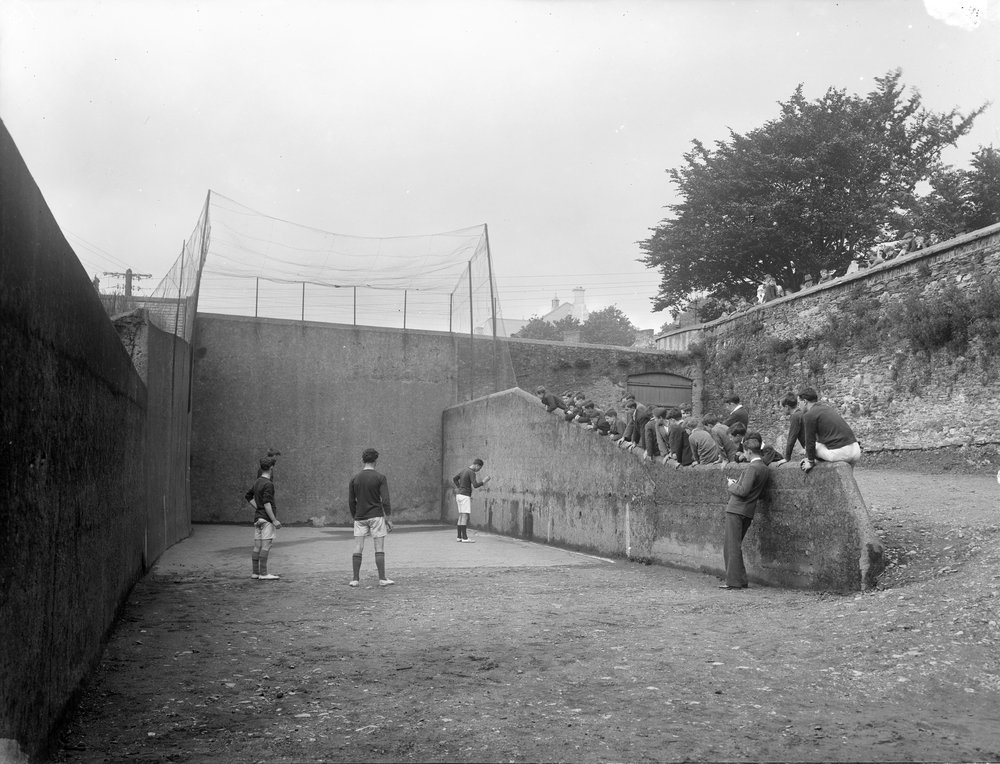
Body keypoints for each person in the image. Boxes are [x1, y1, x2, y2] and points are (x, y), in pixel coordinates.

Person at [720, 432, 771, 590]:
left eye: (745, 452)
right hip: (748, 510)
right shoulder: (764, 468)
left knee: (731, 546)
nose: (745, 455)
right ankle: (739, 580)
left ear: (749, 451)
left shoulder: (753, 467)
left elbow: (742, 491)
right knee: (734, 545)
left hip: (736, 509)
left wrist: (731, 485)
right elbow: (759, 492)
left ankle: (734, 582)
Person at [348, 447, 394, 587]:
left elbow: (351, 501)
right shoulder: (380, 478)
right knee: (378, 547)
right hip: (376, 516)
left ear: (362, 460)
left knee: (358, 546)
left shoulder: (355, 478)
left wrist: (355, 515)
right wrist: (388, 518)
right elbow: (385, 500)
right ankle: (382, 578)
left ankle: (355, 579)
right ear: (376, 461)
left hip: (360, 516)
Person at [797, 387, 862, 471]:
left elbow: (810, 442)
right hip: (856, 450)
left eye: (799, 403)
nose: (799, 407)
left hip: (843, 453)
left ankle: (813, 462)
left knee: (809, 447)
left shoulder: (809, 415)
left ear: (805, 402)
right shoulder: (826, 408)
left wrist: (810, 461)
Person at [250, 457, 282, 581]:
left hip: (257, 519)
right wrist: (274, 520)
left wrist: (258, 508)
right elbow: (267, 503)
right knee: (266, 546)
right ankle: (263, 573)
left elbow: (248, 496)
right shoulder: (268, 484)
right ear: (271, 468)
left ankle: (255, 573)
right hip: (266, 520)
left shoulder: (257, 482)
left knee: (257, 547)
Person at [452, 458, 491, 543]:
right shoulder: (471, 472)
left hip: (459, 495)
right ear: (477, 465)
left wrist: (459, 487)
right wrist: (484, 481)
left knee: (461, 515)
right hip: (465, 495)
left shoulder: (464, 470)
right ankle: (465, 538)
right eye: (479, 468)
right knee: (465, 516)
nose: (478, 470)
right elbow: (475, 485)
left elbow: (454, 479)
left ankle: (459, 537)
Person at [780, 392, 806, 462]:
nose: (781, 410)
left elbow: (791, 439)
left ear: (787, 407)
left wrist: (787, 458)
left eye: (782, 407)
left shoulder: (795, 416)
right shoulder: (801, 413)